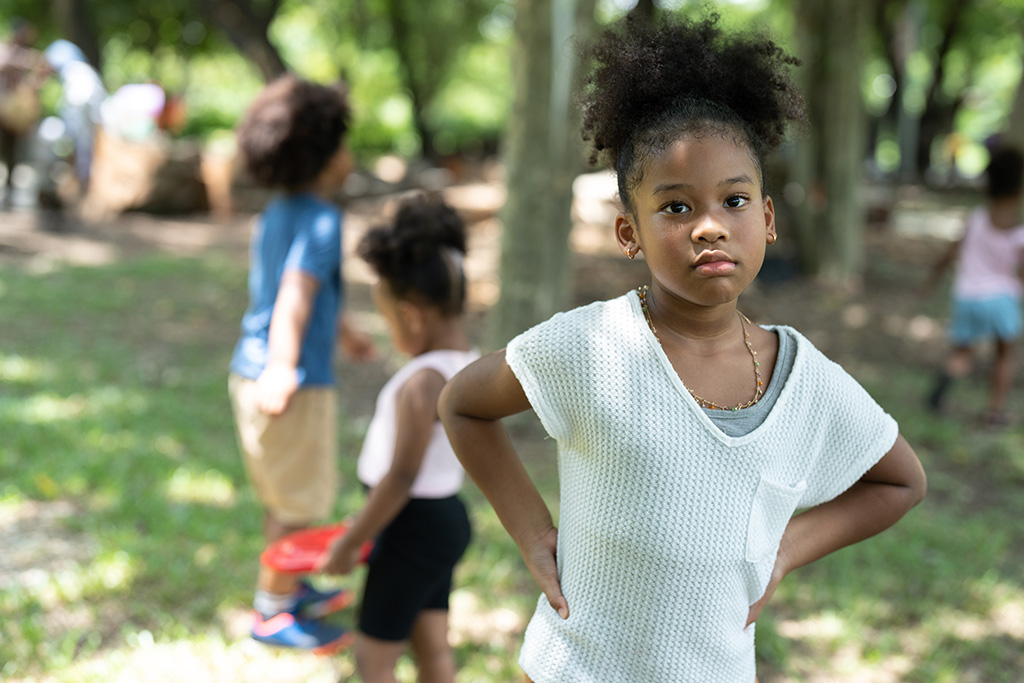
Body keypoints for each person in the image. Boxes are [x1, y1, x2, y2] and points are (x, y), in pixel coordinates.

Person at [438, 14, 927, 683]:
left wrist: (787, 548)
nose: (708, 227)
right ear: (628, 231)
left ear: (769, 218)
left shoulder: (807, 381)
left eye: (734, 200)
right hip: (573, 669)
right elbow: (462, 403)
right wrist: (531, 532)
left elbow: (900, 480)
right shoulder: (590, 345)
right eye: (674, 208)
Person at [228, 74, 375, 653]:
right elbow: (294, 292)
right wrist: (285, 367)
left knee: (282, 498)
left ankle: (294, 587)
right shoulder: (321, 219)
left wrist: (345, 331)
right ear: (320, 154)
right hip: (289, 382)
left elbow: (295, 292)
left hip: (249, 370)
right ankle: (272, 611)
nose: (349, 155)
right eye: (341, 144)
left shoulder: (277, 213)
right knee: (298, 508)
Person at [317, 194, 477, 683]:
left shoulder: (422, 381)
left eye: (388, 322)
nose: (390, 333)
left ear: (411, 315)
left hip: (411, 529)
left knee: (373, 658)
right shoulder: (465, 365)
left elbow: (403, 475)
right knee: (431, 644)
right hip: (439, 522)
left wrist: (351, 540)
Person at [924, 145, 1024, 427]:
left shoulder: (977, 219)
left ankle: (942, 386)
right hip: (1001, 299)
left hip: (967, 296)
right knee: (1005, 354)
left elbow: (950, 253)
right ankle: (994, 413)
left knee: (963, 352)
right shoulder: (1018, 229)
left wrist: (930, 281)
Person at [40, 39, 106, 191]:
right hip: (92, 99)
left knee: (77, 142)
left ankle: (82, 183)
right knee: (87, 144)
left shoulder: (72, 71)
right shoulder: (83, 69)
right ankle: (84, 182)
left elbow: (75, 106)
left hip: (81, 99)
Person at [0, 19, 42, 208]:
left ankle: (9, 190)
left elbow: (40, 67)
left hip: (16, 112)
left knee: (14, 152)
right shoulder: (5, 51)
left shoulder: (26, 55)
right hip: (3, 107)